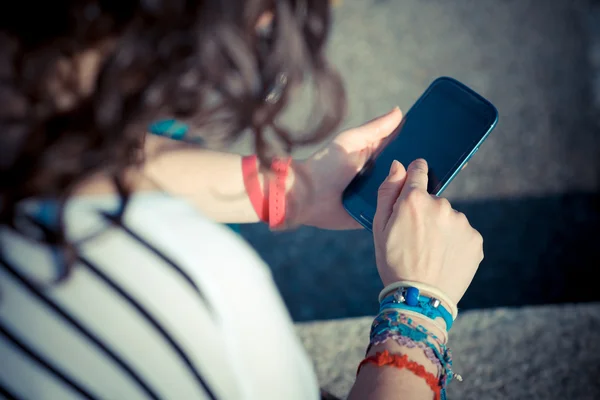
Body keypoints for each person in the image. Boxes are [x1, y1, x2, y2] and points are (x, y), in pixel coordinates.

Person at [0, 1, 484, 399]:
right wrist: (418, 313)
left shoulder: (17, 105)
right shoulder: (203, 291)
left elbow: (70, 153)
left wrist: (296, 193)